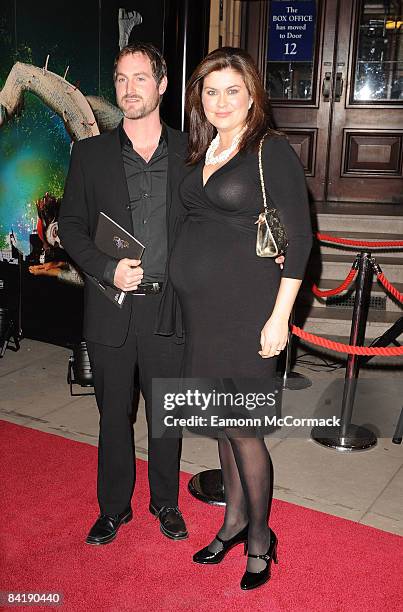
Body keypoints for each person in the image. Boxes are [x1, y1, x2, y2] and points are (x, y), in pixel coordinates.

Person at [166, 47, 312, 590]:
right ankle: (231, 521)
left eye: (232, 90)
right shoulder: (202, 148)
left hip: (250, 313)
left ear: (252, 93)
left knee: (246, 431)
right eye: (211, 91)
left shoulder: (269, 151)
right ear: (198, 98)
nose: (221, 101)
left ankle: (260, 539)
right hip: (201, 315)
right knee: (222, 428)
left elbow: (299, 240)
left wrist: (280, 317)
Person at [58, 43, 191, 544]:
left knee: (165, 413)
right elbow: (71, 226)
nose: (129, 89)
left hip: (170, 309)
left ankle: (165, 502)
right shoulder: (89, 154)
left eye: (140, 78)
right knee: (113, 413)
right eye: (120, 78)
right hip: (112, 306)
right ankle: (114, 507)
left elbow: (214, 221)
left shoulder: (190, 151)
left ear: (161, 85)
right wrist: (107, 269)